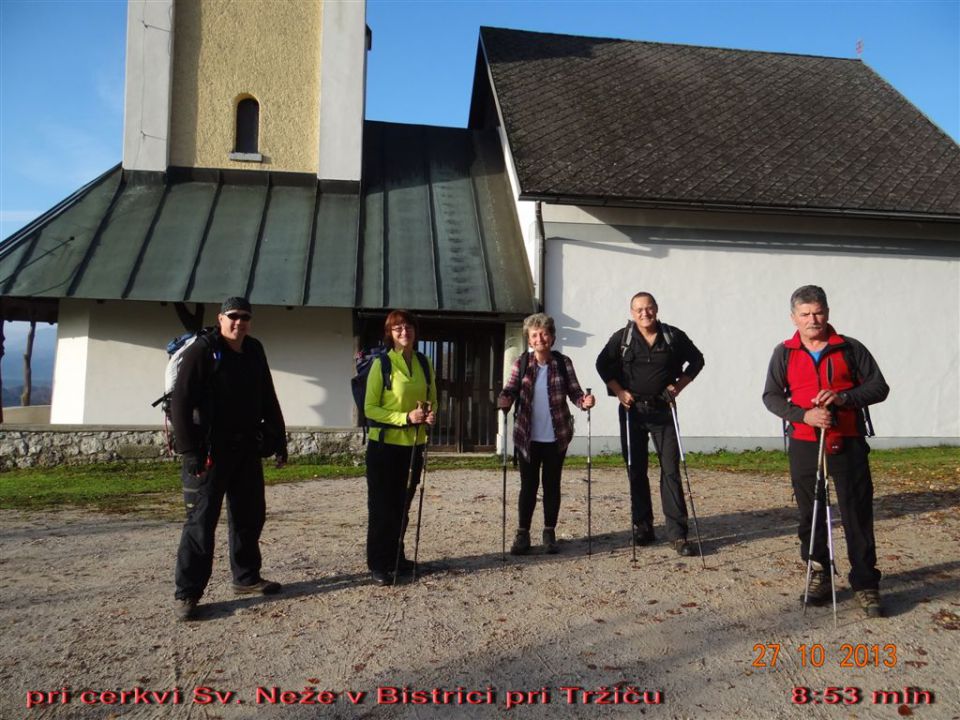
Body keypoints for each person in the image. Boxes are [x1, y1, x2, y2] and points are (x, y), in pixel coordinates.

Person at [763, 285, 889, 618]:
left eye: (817, 312)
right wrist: (803, 414)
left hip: (847, 439)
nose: (812, 319)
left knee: (856, 511)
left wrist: (844, 398)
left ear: (828, 313)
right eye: (805, 314)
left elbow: (879, 387)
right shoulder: (784, 353)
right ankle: (818, 572)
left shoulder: (849, 348)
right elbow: (771, 397)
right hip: (805, 440)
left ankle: (865, 582)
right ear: (794, 317)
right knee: (812, 511)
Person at [171, 297, 287, 621]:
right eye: (233, 316)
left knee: (250, 515)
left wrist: (279, 437)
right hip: (209, 452)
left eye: (245, 317)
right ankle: (188, 594)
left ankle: (246, 578)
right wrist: (189, 452)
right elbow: (180, 402)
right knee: (201, 522)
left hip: (246, 449)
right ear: (221, 318)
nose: (240, 323)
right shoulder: (203, 351)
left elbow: (268, 395)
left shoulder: (254, 350)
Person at [596, 292, 704, 556]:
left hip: (663, 410)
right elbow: (602, 364)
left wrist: (678, 387)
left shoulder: (672, 336)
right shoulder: (622, 338)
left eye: (649, 308)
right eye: (639, 309)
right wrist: (619, 391)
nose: (645, 313)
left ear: (656, 309)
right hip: (632, 412)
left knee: (670, 471)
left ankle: (678, 535)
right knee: (636, 470)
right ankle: (643, 526)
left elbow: (697, 360)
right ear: (632, 313)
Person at [498, 313, 595, 555]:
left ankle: (549, 532)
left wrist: (585, 402)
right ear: (529, 340)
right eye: (534, 335)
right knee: (528, 486)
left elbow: (575, 393)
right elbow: (510, 388)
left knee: (552, 485)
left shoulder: (563, 362)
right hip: (527, 437)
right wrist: (505, 399)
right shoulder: (521, 364)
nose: (539, 338)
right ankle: (523, 534)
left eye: (544, 333)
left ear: (551, 337)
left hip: (556, 436)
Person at [363, 310, 437, 586]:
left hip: (414, 445)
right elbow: (370, 408)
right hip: (384, 447)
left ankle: (397, 555)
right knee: (382, 507)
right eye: (397, 329)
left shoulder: (424, 363)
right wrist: (404, 418)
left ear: (415, 331)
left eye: (407, 327)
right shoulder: (382, 364)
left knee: (402, 505)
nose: (403, 332)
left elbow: (433, 399)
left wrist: (429, 415)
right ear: (390, 334)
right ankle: (378, 563)